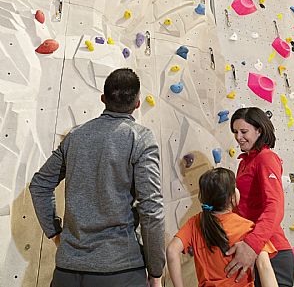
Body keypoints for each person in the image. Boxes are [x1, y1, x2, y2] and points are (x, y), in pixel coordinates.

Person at [29, 68, 165, 287]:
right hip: (122, 270)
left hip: (68, 270)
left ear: (103, 99)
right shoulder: (141, 138)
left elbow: (39, 185)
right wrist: (156, 270)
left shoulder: (75, 136)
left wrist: (55, 232)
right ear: (137, 104)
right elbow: (151, 209)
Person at [166, 168, 278, 287]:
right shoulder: (248, 228)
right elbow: (264, 267)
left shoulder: (195, 223)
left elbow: (172, 251)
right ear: (231, 197)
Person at [225, 107, 294, 287]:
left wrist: (251, 245)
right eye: (235, 132)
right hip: (253, 250)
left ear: (259, 130)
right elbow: (239, 209)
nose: (238, 137)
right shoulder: (244, 163)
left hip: (272, 253)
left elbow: (275, 206)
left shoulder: (266, 158)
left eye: (244, 131)